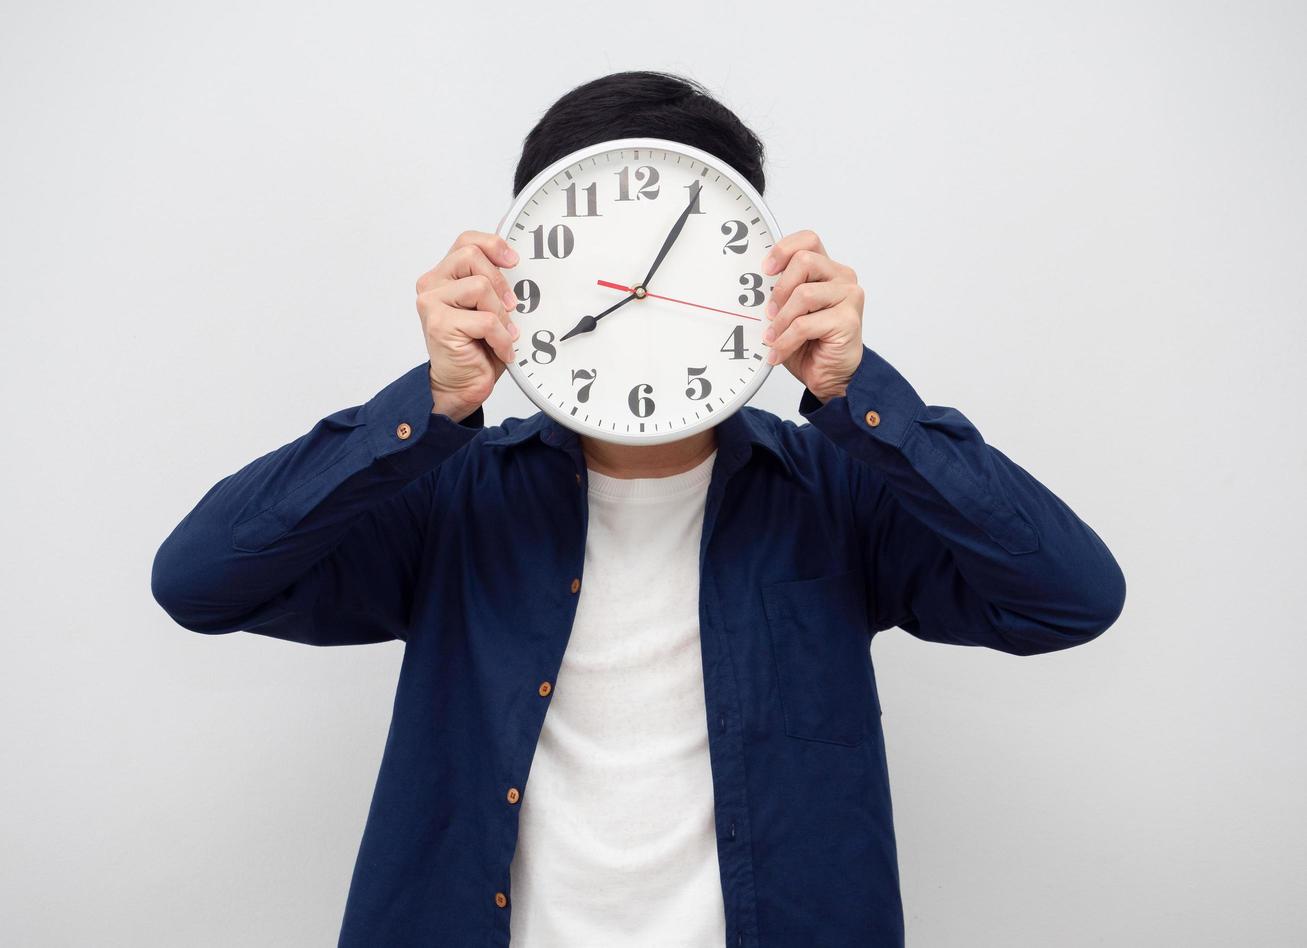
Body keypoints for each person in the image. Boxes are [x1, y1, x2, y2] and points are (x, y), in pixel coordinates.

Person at [151, 71, 1126, 948]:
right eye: (595, 264)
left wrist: (858, 394)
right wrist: (432, 404)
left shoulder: (831, 495)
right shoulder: (448, 495)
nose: (640, 297)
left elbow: (1070, 596)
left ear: (753, 271)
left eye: (680, 260)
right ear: (520, 271)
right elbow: (198, 579)